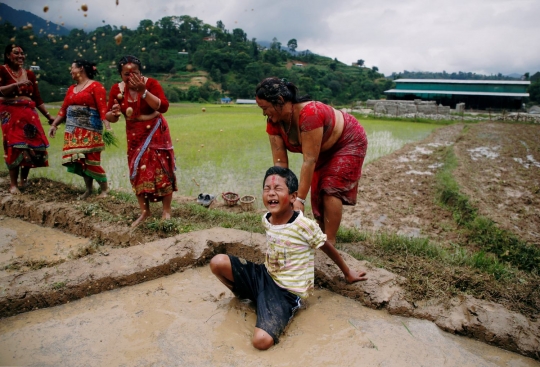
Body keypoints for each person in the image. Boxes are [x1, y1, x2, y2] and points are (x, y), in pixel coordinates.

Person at [210, 166, 367, 350]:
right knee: (217, 262)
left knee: (261, 341)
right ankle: (248, 296)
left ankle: (277, 307)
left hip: (286, 292)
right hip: (264, 275)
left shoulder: (303, 225)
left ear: (293, 197)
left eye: (277, 189)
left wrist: (348, 272)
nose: (271, 193)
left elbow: (326, 246)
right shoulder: (267, 218)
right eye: (267, 189)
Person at [255, 77, 368, 249]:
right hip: (321, 149)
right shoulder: (274, 123)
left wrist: (299, 199)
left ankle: (330, 242)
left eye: (265, 108)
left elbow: (309, 160)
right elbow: (280, 164)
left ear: (279, 101)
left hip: (347, 141)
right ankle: (320, 235)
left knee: (330, 189)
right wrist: (282, 194)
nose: (264, 113)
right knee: (316, 193)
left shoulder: (309, 114)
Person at [105, 55, 176, 227]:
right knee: (136, 170)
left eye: (134, 73)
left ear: (140, 72)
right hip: (134, 134)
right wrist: (113, 114)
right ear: (121, 75)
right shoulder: (117, 90)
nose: (131, 78)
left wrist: (144, 92)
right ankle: (145, 211)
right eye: (126, 75)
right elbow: (109, 116)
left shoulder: (151, 84)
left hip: (155, 131)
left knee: (161, 167)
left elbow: (164, 107)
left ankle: (166, 211)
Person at [48, 59, 111, 199]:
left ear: (81, 69)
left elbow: (102, 109)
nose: (71, 71)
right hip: (73, 131)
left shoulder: (96, 86)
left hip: (90, 130)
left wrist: (107, 126)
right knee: (80, 161)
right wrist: (54, 125)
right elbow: (63, 109)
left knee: (91, 160)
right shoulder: (71, 89)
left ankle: (104, 189)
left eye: (72, 68)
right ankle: (88, 189)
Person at [0, 44, 53, 194]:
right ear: (8, 55)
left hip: (29, 112)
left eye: (22, 53)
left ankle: (23, 180)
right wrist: (17, 85)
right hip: (10, 112)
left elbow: (36, 97)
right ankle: (13, 184)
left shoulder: (29, 74)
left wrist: (48, 116)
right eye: (16, 53)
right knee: (15, 145)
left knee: (31, 144)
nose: (20, 56)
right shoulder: (2, 70)